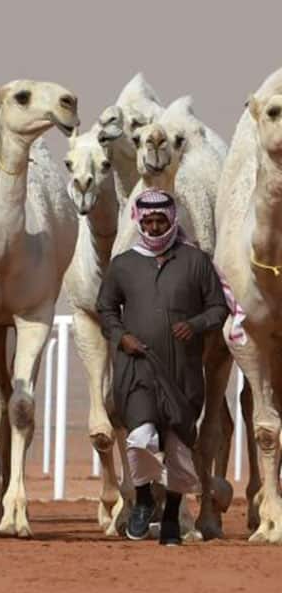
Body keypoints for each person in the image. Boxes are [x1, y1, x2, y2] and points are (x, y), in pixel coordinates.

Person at [96, 188, 229, 545]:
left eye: (161, 221)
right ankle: (142, 499)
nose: (155, 228)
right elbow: (105, 309)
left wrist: (197, 325)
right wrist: (121, 336)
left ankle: (171, 515)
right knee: (140, 438)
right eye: (149, 221)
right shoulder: (123, 263)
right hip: (136, 367)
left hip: (183, 371)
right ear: (139, 222)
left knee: (178, 449)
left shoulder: (195, 261)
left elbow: (219, 307)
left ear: (172, 221)